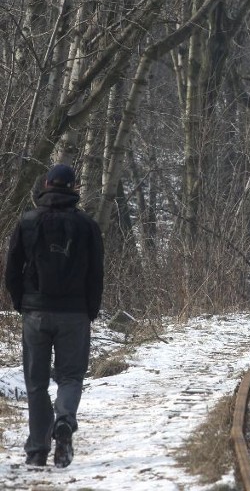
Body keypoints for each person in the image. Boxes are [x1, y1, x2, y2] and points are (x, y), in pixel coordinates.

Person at [3, 163, 104, 468]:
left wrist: (23, 303)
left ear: (46, 185)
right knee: (71, 376)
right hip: (74, 313)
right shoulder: (87, 225)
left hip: (36, 312)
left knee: (35, 383)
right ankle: (65, 419)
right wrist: (91, 309)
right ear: (74, 189)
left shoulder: (27, 221)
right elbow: (95, 273)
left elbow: (11, 271)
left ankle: (37, 450)